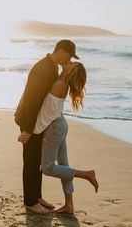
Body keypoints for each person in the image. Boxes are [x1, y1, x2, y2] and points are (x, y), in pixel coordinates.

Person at [19, 62, 99, 214]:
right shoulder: (61, 82)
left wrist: (30, 132)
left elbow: (45, 114)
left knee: (48, 168)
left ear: (71, 72)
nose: (68, 62)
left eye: (71, 64)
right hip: (59, 124)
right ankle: (69, 205)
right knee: (64, 165)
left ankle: (86, 174)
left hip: (55, 127)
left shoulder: (59, 85)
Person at [14, 40, 79, 214]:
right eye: (70, 55)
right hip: (30, 120)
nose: (69, 59)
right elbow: (33, 100)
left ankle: (36, 196)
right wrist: (28, 130)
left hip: (36, 120)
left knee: (37, 160)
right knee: (31, 161)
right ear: (62, 51)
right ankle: (30, 201)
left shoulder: (52, 67)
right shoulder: (43, 68)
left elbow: (47, 97)